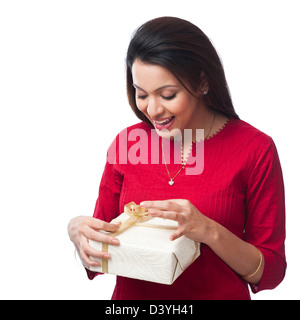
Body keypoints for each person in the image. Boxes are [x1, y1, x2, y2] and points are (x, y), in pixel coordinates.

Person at [68, 17, 286, 300]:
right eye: (142, 94)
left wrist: (208, 230)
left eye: (168, 95)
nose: (153, 109)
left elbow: (270, 272)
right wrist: (77, 232)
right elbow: (101, 255)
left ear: (202, 82)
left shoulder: (255, 149)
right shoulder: (127, 143)